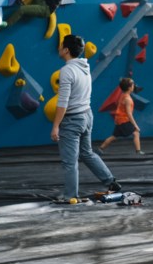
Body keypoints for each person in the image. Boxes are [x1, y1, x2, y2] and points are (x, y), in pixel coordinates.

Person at [51, 35, 120, 200]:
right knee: (86, 153)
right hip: (87, 116)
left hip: (72, 120)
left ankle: (70, 196)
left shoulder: (67, 70)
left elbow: (63, 102)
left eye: (61, 46)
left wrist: (55, 126)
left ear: (66, 50)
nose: (59, 48)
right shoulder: (84, 66)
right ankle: (111, 182)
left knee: (70, 161)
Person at [98, 77, 143, 155]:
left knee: (114, 136)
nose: (134, 85)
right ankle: (138, 152)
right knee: (136, 132)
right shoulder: (128, 99)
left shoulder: (123, 94)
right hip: (124, 121)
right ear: (129, 87)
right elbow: (129, 114)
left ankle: (100, 149)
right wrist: (135, 125)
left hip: (119, 120)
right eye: (132, 84)